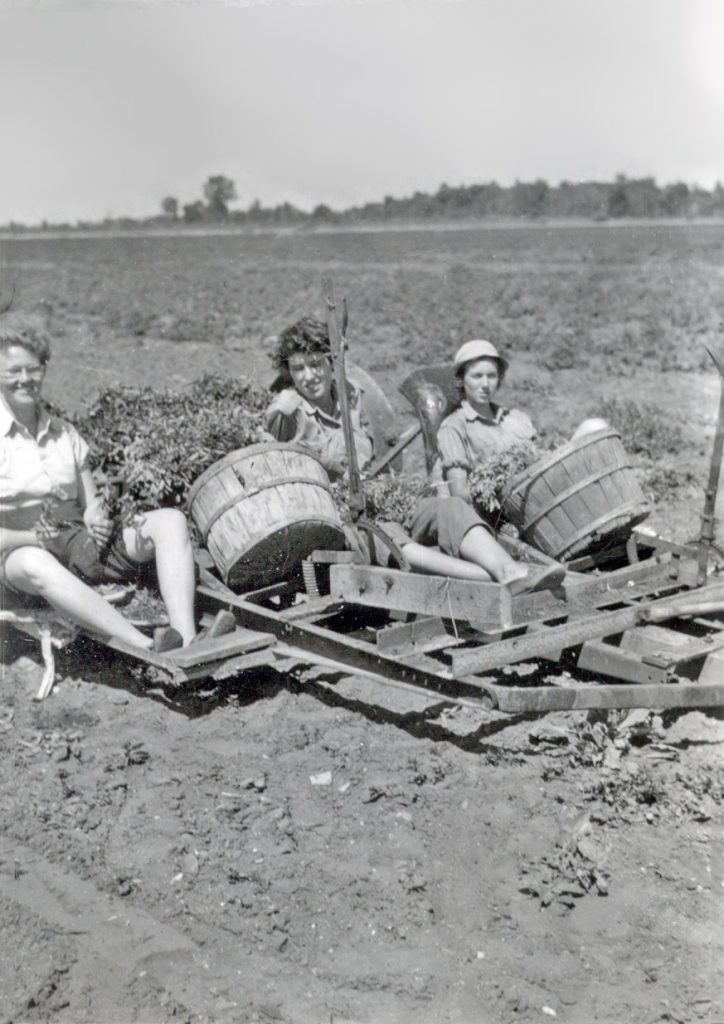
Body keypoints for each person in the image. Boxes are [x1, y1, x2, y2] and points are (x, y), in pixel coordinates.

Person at [266, 318, 563, 592]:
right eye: (298, 369)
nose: (308, 376)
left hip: (379, 497)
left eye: (316, 364)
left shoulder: (351, 396)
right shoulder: (288, 412)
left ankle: (509, 570)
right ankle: (493, 581)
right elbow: (276, 454)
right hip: (341, 519)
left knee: (447, 509)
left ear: (332, 362)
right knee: (388, 537)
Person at [0, 315, 234, 654]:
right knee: (36, 562)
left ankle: (184, 637)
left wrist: (97, 514)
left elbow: (90, 501)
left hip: (79, 547)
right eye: (13, 371)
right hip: (15, 562)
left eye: (33, 369)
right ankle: (145, 644)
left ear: (44, 370)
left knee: (170, 521)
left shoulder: (64, 434)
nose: (25, 379)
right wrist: (36, 538)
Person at [438, 339, 608, 503]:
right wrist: (500, 486)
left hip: (544, 487)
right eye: (476, 376)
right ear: (461, 380)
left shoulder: (515, 418)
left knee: (594, 427)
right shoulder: (454, 427)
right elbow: (459, 493)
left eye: (491, 376)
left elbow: (539, 458)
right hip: (508, 507)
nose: (485, 384)